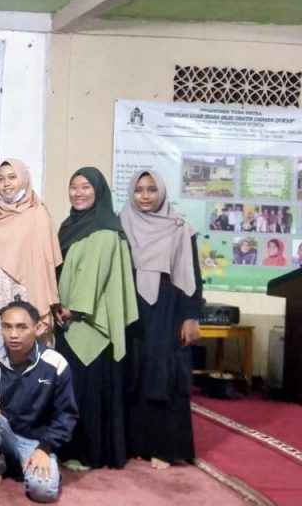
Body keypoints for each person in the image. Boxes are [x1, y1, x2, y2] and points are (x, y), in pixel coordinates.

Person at [53, 168, 137, 471]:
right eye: (73, 186)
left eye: (86, 187)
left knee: (86, 391)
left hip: (89, 322)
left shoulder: (103, 229)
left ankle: (89, 452)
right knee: (70, 388)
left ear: (99, 191)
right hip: (66, 318)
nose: (78, 193)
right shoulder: (71, 225)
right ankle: (68, 447)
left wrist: (73, 309)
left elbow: (93, 276)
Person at [120, 171, 202, 468]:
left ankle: (164, 447)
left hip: (168, 306)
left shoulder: (179, 227)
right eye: (139, 189)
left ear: (162, 192)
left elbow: (192, 275)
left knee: (163, 373)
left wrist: (191, 316)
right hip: (131, 306)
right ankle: (136, 443)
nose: (145, 195)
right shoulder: (121, 224)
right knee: (134, 373)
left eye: (152, 189)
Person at [0, 301, 78, 503]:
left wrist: (45, 448)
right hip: (3, 433)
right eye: (7, 327)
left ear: (37, 328)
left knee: (43, 492)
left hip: (36, 440)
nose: (13, 335)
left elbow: (66, 415)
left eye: (22, 327)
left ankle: (24, 465)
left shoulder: (55, 363)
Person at [0, 159, 62, 350]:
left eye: (12, 177)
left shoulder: (37, 214)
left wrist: (48, 303)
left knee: (28, 351)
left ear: (24, 179)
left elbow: (46, 263)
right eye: (0, 179)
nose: (6, 184)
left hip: (27, 293)